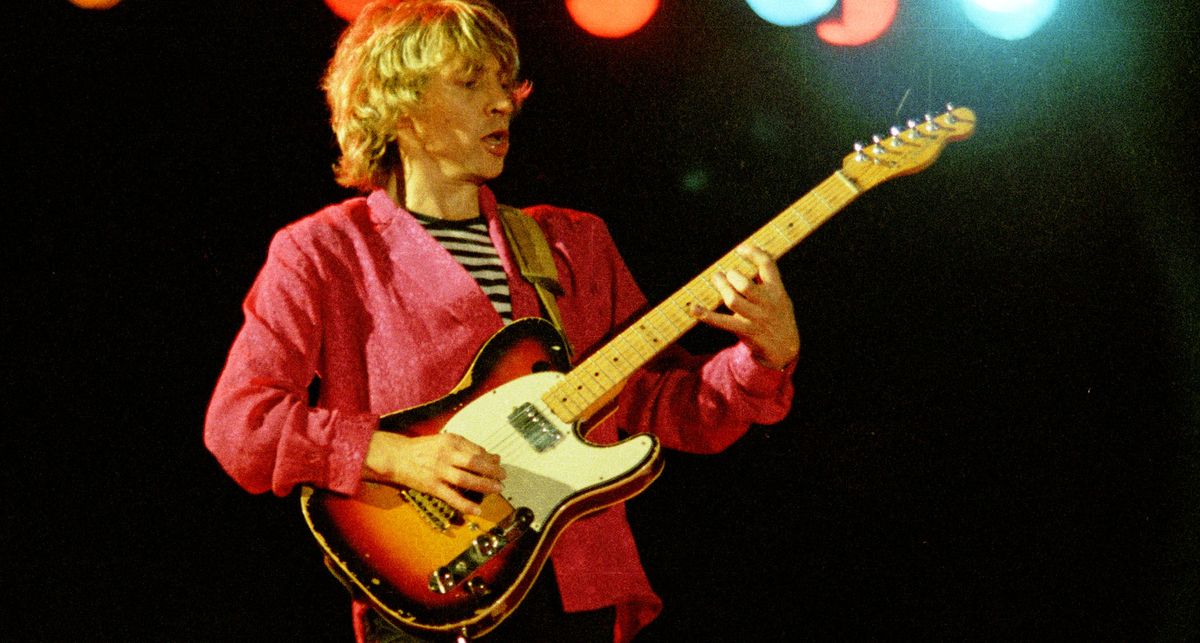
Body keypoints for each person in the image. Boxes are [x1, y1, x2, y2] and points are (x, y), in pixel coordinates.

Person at [204, 1, 800, 641]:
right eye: (470, 83)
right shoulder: (324, 253)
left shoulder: (574, 241)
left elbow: (667, 407)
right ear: (398, 106)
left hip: (579, 594)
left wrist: (763, 358)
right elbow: (241, 424)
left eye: (503, 82)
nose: (502, 103)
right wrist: (398, 457)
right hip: (429, 594)